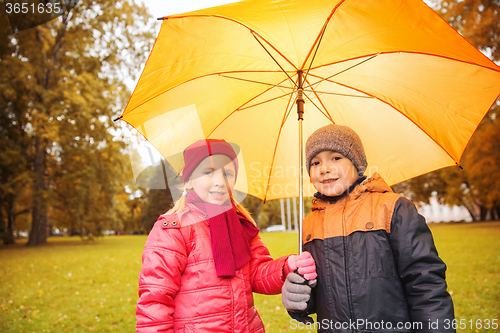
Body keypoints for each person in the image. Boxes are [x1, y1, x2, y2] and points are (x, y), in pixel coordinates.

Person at [281, 124, 455, 332]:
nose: (324, 168)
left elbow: (425, 283)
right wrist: (299, 296)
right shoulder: (309, 225)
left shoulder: (393, 208)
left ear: (357, 163)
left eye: (336, 158)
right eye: (315, 162)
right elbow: (318, 295)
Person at [136, 139, 317, 333]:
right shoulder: (174, 229)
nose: (220, 181)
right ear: (188, 180)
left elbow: (257, 274)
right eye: (208, 172)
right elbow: (155, 301)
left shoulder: (240, 224)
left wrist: (287, 266)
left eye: (228, 173)